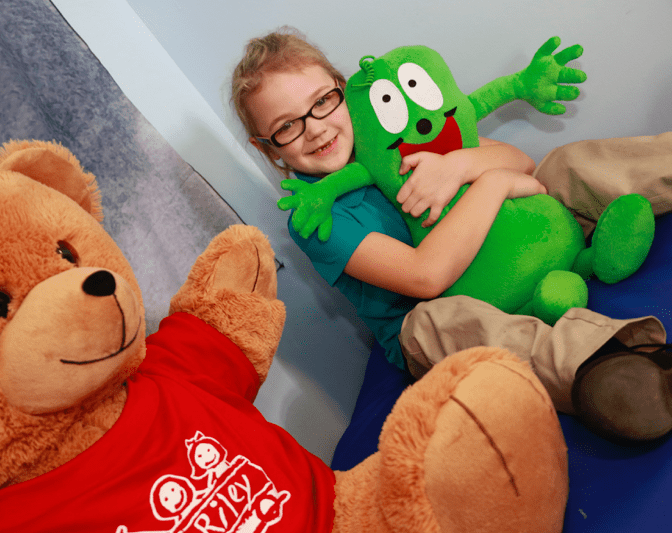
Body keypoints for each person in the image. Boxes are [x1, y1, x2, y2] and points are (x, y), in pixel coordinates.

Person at [230, 27, 672, 443]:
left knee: (566, 164)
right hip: (435, 309)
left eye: (323, 101)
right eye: (287, 126)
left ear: (343, 91)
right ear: (267, 147)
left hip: (507, 249)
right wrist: (494, 185)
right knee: (435, 326)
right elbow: (426, 278)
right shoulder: (316, 216)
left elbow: (522, 164)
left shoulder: (392, 124)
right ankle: (606, 366)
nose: (316, 128)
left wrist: (457, 165)